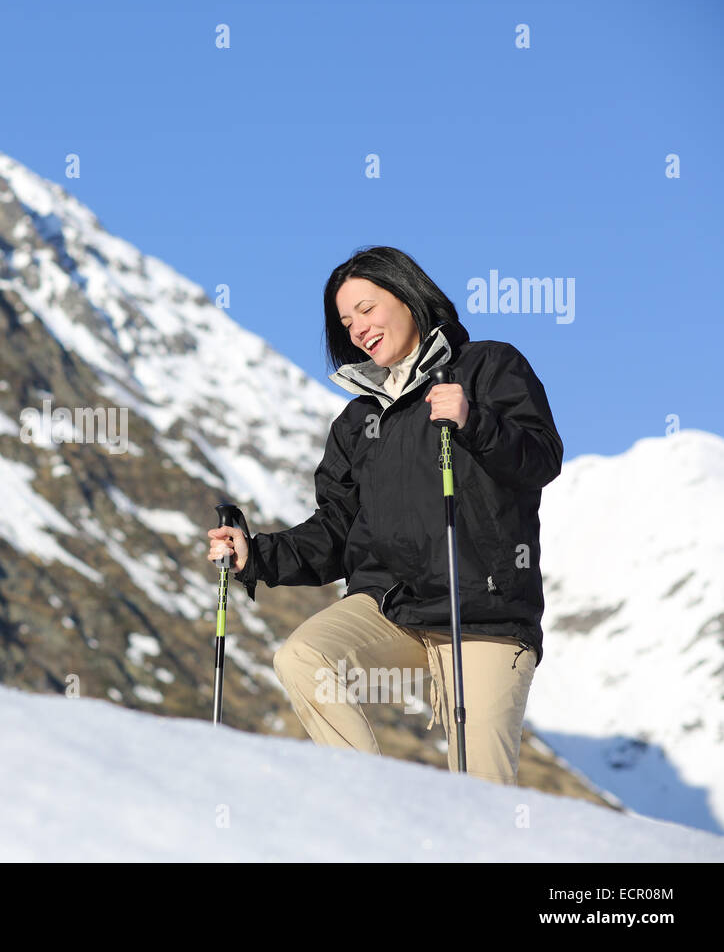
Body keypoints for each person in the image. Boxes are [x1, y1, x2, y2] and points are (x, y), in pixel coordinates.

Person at [207, 246, 563, 785]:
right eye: (345, 322)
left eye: (367, 309)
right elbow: (337, 530)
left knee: (480, 792)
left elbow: (540, 459)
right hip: (392, 605)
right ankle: (368, 801)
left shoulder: (488, 366)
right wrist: (255, 554)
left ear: (409, 296)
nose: (357, 330)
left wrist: (474, 421)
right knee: (304, 656)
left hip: (483, 614)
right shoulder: (358, 422)